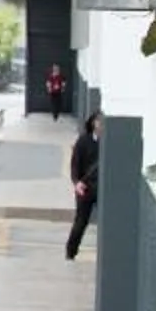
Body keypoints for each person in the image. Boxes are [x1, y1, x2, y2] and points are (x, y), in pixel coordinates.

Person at [66, 110, 102, 259]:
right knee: (81, 221)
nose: (102, 125)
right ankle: (71, 252)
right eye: (99, 121)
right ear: (93, 123)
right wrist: (77, 183)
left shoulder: (108, 142)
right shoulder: (83, 141)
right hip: (85, 187)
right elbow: (75, 165)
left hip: (102, 188)